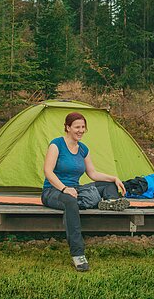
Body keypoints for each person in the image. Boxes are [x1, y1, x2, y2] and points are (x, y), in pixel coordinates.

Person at [41, 112, 130, 272]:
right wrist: (64, 188)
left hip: (74, 190)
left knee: (107, 185)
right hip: (53, 191)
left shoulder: (83, 149)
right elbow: (48, 171)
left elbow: (93, 173)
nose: (81, 130)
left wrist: (114, 178)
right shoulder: (56, 145)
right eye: (77, 127)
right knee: (70, 201)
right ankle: (78, 254)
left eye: (83, 127)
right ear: (68, 128)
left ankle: (109, 202)